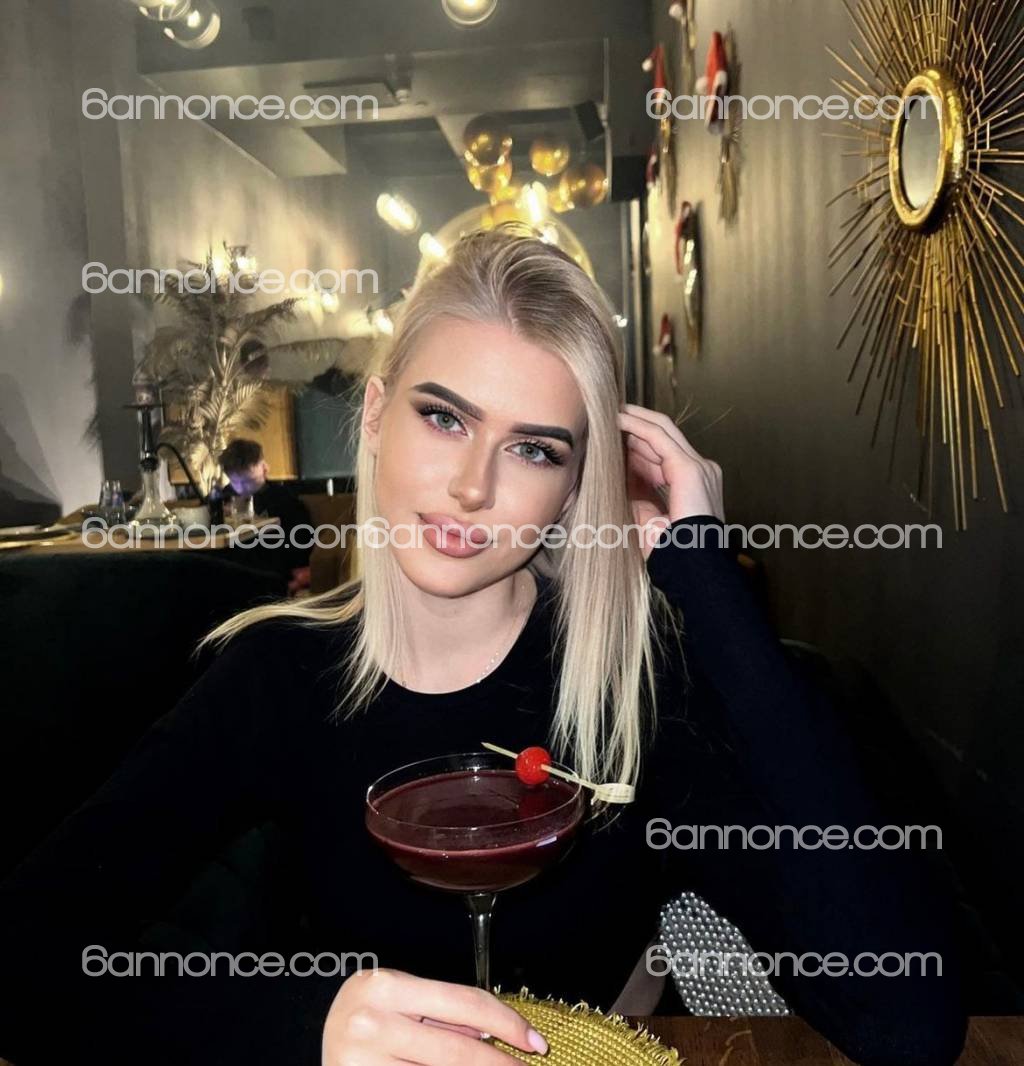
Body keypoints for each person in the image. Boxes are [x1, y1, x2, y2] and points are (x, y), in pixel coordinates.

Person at [0, 228, 967, 1066]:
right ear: (374, 417)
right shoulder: (276, 676)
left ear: (574, 487)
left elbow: (906, 1021)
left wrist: (710, 585)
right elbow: (22, 953)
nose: (473, 486)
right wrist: (301, 1026)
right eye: (443, 416)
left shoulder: (637, 689)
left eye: (535, 449)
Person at [217, 438, 312, 576]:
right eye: (237, 483)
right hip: (230, 566)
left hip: (269, 569)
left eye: (249, 481)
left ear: (264, 468)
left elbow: (301, 542)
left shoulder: (284, 500)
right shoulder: (222, 499)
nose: (243, 489)